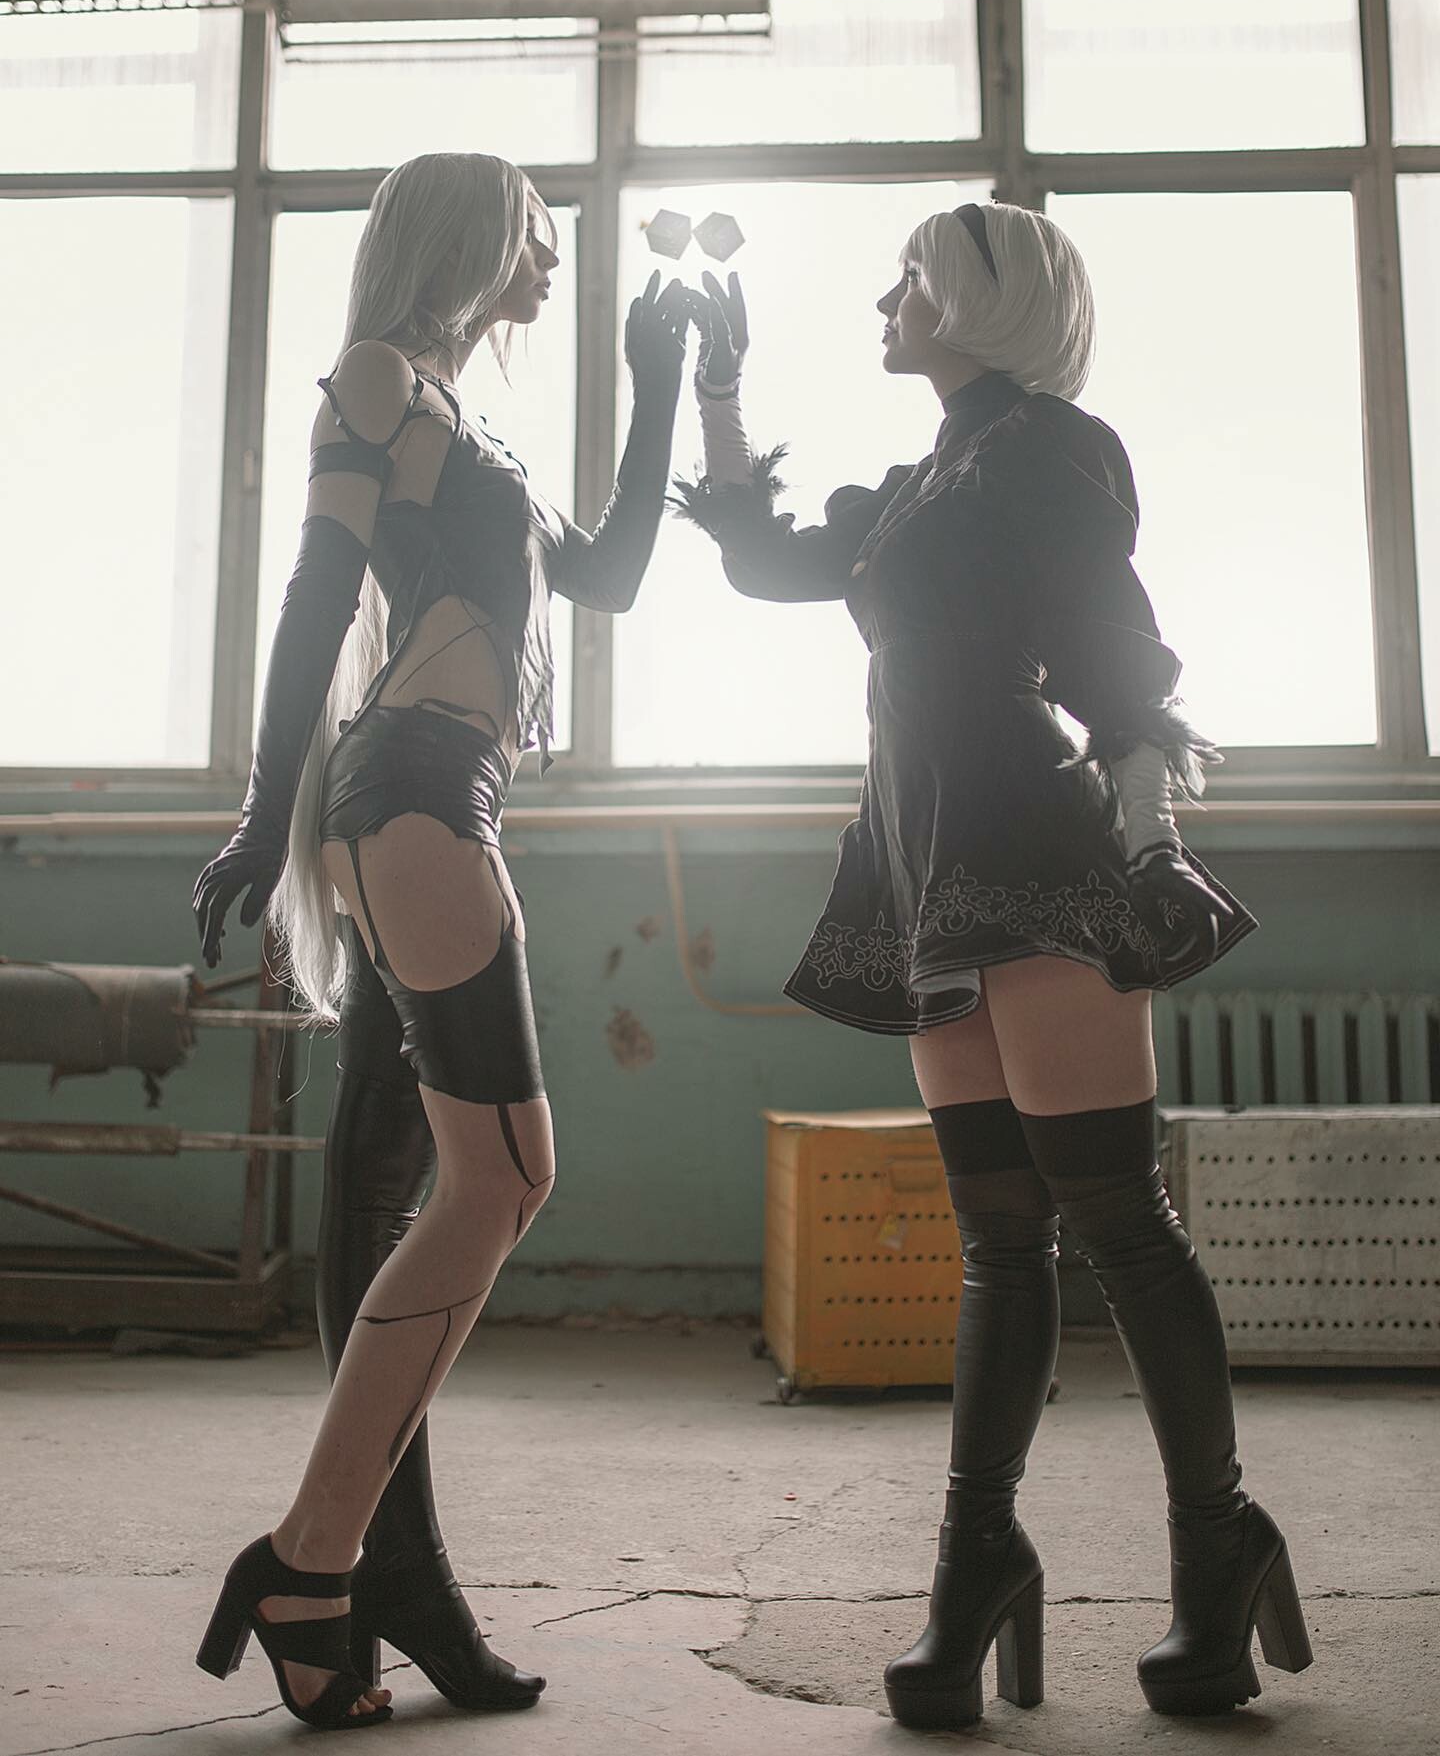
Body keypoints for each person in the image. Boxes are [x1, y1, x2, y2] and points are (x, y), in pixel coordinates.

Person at [673, 203, 1312, 1730]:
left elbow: (1121, 671)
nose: (883, 299)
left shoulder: (1054, 450)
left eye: (909, 277)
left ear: (977, 299)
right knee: (1002, 1242)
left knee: (1119, 1224)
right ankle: (976, 1571)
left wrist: (1152, 848)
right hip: (924, 868)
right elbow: (763, 558)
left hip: (1036, 861)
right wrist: (718, 388)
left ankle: (1217, 1549)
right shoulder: (922, 481)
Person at [191, 150, 688, 1730]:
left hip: (440, 797)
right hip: (406, 789)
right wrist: (262, 814)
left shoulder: (476, 430)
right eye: (537, 234)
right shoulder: (379, 381)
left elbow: (608, 574)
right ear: (471, 239)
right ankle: (314, 1555)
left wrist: (659, 382)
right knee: (506, 1177)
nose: (551, 261)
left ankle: (351, 1569)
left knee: (447, 1179)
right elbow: (310, 594)